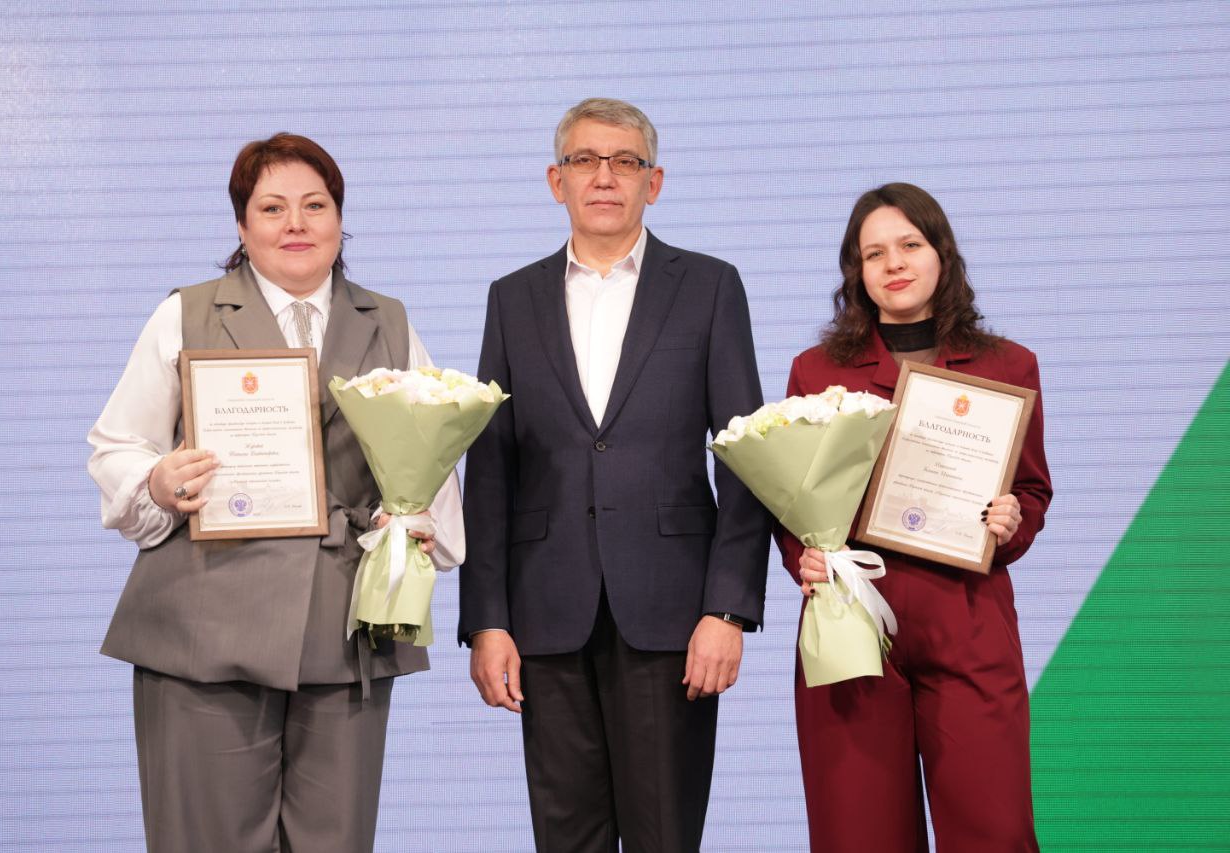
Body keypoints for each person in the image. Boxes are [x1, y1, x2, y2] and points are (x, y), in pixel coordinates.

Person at [88, 132, 464, 853]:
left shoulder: (389, 321)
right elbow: (118, 445)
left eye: (315, 206)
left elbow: (431, 453)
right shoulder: (185, 314)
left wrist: (415, 522)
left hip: (345, 630)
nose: (296, 223)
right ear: (241, 226)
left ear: (340, 221)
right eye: (272, 208)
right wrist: (157, 481)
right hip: (201, 629)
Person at [459, 98, 771, 852]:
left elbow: (748, 458)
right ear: (556, 180)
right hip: (546, 614)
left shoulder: (709, 286)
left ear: (653, 183)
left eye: (625, 161)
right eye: (585, 161)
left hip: (674, 616)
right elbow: (491, 469)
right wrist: (487, 621)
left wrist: (728, 610)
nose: (605, 176)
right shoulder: (512, 297)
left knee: (664, 834)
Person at [778, 182, 1052, 852]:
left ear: (941, 254)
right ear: (856, 271)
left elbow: (1032, 489)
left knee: (994, 833)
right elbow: (790, 500)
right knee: (858, 836)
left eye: (910, 245)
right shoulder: (816, 371)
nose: (894, 263)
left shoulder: (1008, 365)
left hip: (969, 619)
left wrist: (1012, 519)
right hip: (853, 619)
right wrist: (801, 556)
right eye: (874, 253)